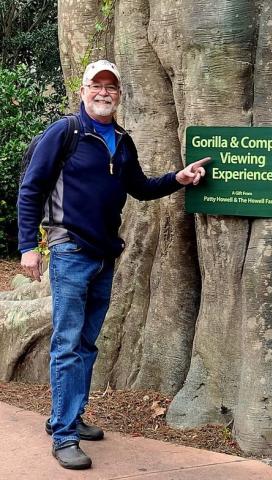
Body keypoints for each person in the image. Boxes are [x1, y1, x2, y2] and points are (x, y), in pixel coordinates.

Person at [18, 60, 209, 470]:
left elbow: (139, 188)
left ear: (119, 94)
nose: (103, 92)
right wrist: (27, 247)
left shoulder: (122, 141)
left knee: (86, 343)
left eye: (111, 87)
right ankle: (65, 435)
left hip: (105, 255)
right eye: (96, 85)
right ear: (84, 90)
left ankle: (66, 416)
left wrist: (178, 177)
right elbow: (31, 189)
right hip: (69, 250)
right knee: (67, 345)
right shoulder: (65, 133)